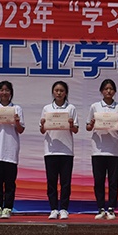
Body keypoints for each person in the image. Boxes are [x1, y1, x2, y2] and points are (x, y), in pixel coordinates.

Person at [86, 79, 118, 220]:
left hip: (114, 150)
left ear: (115, 91)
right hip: (98, 149)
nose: (108, 91)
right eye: (106, 88)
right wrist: (92, 124)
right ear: (101, 91)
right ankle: (100, 208)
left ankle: (111, 208)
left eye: (111, 88)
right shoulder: (95, 107)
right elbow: (88, 127)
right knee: (99, 181)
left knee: (113, 181)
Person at [0, 81, 25, 220]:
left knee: (10, 182)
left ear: (11, 93)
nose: (4, 93)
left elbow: (21, 130)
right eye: (1, 90)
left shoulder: (16, 109)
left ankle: (8, 207)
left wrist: (17, 122)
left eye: (7, 90)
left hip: (10, 150)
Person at [40, 81, 79, 220]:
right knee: (51, 182)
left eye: (62, 90)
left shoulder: (71, 108)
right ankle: (53, 209)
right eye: (56, 90)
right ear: (53, 92)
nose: (59, 93)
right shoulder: (47, 108)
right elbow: (42, 130)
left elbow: (75, 129)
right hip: (50, 150)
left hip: (66, 151)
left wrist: (71, 124)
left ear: (66, 93)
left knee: (65, 182)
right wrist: (43, 125)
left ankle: (63, 209)